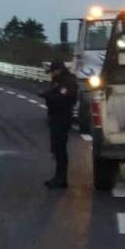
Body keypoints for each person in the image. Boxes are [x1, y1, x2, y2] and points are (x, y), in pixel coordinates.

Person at [38, 59, 78, 189]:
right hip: (55, 116)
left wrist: (47, 96)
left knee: (60, 149)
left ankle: (61, 179)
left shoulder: (68, 82)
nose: (51, 74)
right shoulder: (58, 81)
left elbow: (65, 97)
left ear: (58, 70)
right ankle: (58, 177)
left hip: (62, 117)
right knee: (56, 148)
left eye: (53, 72)